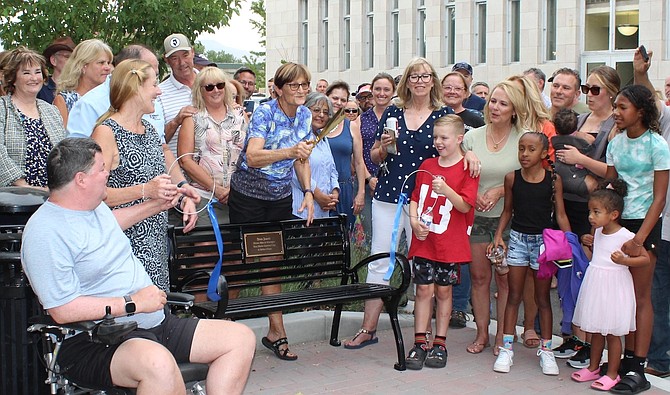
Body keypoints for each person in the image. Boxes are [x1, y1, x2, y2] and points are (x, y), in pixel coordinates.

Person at [21, 137, 254, 394]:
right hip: (95, 340)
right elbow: (62, 310)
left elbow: (110, 223)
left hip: (153, 324)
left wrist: (158, 204)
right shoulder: (45, 232)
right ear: (81, 179)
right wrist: (134, 303)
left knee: (239, 339)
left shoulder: (91, 208)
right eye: (101, 168)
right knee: (158, 364)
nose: (107, 172)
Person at [343, 57, 452, 348]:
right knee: (380, 260)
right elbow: (376, 156)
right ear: (406, 81)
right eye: (413, 76)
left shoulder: (443, 114)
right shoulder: (393, 111)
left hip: (426, 200)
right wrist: (384, 147)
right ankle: (368, 329)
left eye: (424, 75)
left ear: (433, 80)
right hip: (389, 195)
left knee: (424, 263)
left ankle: (424, 334)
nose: (419, 81)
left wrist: (472, 155)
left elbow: (455, 149)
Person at [228, 62, 314, 361]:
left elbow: (302, 158)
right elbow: (252, 156)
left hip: (278, 197)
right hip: (249, 197)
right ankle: (220, 329)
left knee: (271, 263)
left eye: (305, 85)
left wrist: (307, 191)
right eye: (294, 85)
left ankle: (276, 331)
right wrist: (291, 152)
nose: (302, 90)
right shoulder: (265, 112)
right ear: (278, 88)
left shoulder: (305, 114)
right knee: (239, 267)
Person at [91, 59, 199, 292]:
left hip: (155, 242)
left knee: (157, 312)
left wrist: (182, 192)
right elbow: (95, 195)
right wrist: (145, 191)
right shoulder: (106, 132)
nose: (159, 92)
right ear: (135, 87)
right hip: (122, 247)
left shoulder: (149, 129)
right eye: (154, 85)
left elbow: (165, 159)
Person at [603, 84, 670, 394]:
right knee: (621, 297)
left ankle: (638, 368)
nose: (616, 112)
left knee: (641, 298)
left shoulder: (657, 145)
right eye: (615, 106)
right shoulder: (615, 143)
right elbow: (613, 186)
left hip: (645, 226)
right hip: (617, 224)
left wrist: (640, 239)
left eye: (622, 107)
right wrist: (603, 228)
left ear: (640, 112)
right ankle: (623, 362)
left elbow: (659, 198)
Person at [491, 132, 571, 375]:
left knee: (542, 299)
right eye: (521, 149)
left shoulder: (553, 181)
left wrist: (570, 243)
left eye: (531, 149)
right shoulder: (512, 178)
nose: (525, 154)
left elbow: (561, 214)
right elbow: (507, 211)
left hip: (543, 245)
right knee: (513, 295)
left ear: (544, 153)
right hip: (516, 240)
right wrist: (498, 235)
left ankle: (547, 352)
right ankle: (506, 349)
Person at [404, 115, 479, 370]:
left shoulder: (468, 169)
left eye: (444, 138)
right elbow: (415, 197)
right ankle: (419, 342)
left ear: (459, 139)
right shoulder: (426, 165)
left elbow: (465, 204)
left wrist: (446, 189)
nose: (438, 142)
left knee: (444, 291)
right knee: (423, 290)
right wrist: (414, 221)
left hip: (449, 243)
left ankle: (440, 342)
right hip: (426, 241)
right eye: (435, 137)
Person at [461, 81, 528, 355]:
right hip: (477, 217)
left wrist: (502, 190)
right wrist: (472, 193)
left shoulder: (524, 137)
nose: (496, 107)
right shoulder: (472, 137)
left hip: (510, 220)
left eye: (503, 103)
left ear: (514, 110)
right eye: (493, 101)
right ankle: (481, 333)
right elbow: (459, 174)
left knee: (505, 281)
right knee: (478, 278)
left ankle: (503, 334)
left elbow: (531, 178)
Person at [570, 180, 649, 391]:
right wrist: (590, 241)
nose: (590, 217)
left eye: (596, 212)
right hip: (596, 285)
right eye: (590, 211)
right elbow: (599, 252)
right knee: (596, 330)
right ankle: (593, 367)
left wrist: (625, 261)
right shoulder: (598, 232)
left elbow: (645, 259)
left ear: (613, 214)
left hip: (614, 288)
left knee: (613, 334)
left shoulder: (625, 236)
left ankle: (613, 373)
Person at [633, 45, 670, 380]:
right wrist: (641, 73)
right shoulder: (666, 123)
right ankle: (659, 356)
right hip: (665, 224)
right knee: (657, 290)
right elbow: (649, 103)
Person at [439, 71, 484, 329]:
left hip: (461, 190)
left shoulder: (475, 119)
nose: (453, 91)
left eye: (458, 88)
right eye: (448, 87)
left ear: (466, 92)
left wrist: (469, 153)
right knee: (439, 248)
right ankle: (438, 299)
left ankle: (458, 306)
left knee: (460, 249)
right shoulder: (437, 115)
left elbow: (475, 150)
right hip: (437, 188)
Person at [177, 66, 246, 225]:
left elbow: (249, 154)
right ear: (200, 91)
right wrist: (216, 189)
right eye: (209, 87)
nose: (216, 90)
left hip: (238, 196)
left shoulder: (240, 116)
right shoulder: (192, 119)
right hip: (204, 197)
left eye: (220, 85)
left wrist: (234, 189)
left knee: (236, 247)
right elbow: (185, 161)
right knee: (205, 248)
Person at [67, 44, 165, 140]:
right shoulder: (90, 105)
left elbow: (163, 146)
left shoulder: (152, 104)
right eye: (101, 62)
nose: (159, 91)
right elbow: (78, 151)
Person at [0, 47, 66, 188]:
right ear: (13, 79)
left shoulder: (52, 111)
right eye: (26, 73)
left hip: (50, 195)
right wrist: (24, 186)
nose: (34, 78)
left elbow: (62, 152)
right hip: (12, 198)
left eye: (37, 72)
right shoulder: (2, 108)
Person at [357, 72, 396, 245]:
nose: (382, 93)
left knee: (395, 234)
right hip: (367, 180)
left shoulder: (400, 117)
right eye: (377, 89)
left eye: (386, 89)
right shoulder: (361, 119)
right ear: (372, 91)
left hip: (394, 180)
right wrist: (369, 178)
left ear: (393, 91)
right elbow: (356, 154)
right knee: (372, 233)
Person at [326, 81, 366, 230]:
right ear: (326, 97)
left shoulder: (351, 126)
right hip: (321, 190)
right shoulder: (317, 124)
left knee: (343, 238)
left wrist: (361, 192)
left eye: (343, 100)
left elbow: (359, 162)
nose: (338, 102)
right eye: (335, 98)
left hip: (344, 189)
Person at [292, 92, 339, 219]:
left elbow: (332, 169)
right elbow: (294, 171)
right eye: (316, 110)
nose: (321, 115)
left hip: (323, 210)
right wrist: (318, 195)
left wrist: (334, 192)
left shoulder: (323, 138)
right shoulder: (296, 135)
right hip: (301, 209)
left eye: (326, 112)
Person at [53, 39, 113, 127]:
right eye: (101, 63)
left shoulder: (113, 98)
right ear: (83, 66)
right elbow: (62, 138)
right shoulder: (64, 100)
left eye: (108, 63)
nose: (107, 67)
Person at [159, 33, 198, 156]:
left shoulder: (212, 84)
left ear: (193, 52)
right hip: (176, 172)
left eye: (185, 55)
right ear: (166, 60)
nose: (182, 63)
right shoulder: (158, 94)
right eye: (175, 58)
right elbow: (155, 141)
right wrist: (176, 121)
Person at [37, 36, 75, 103]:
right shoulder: (40, 89)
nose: (72, 61)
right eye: (67, 56)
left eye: (74, 57)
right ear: (53, 60)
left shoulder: (79, 87)